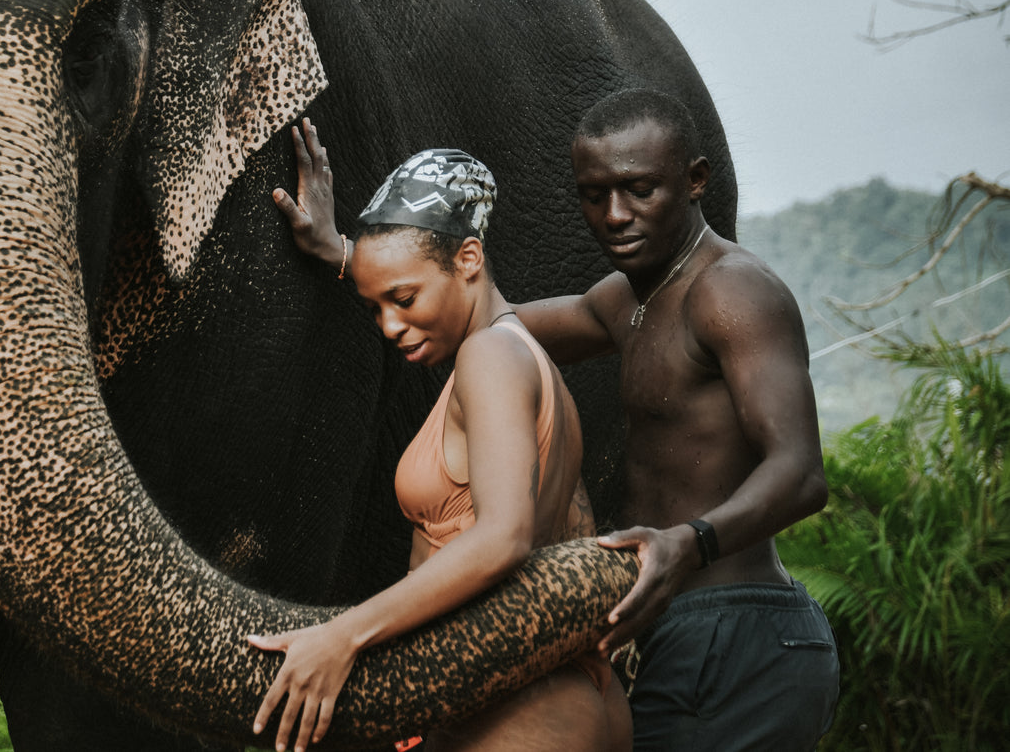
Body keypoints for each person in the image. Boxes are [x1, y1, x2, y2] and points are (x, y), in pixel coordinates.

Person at [277, 94, 840, 751]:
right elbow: (481, 315)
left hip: (735, 621)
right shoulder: (625, 299)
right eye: (592, 195)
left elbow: (800, 472)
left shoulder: (732, 291)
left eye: (637, 189)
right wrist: (353, 255)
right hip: (663, 621)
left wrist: (687, 542)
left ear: (694, 180)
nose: (613, 215)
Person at [250, 145, 632, 752]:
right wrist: (341, 253)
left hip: (521, 712)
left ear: (470, 258)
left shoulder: (491, 359)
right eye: (376, 307)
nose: (390, 326)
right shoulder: (519, 354)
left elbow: (503, 537)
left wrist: (343, 636)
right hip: (547, 698)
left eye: (403, 300)